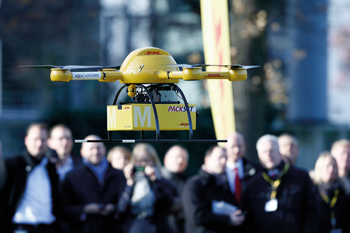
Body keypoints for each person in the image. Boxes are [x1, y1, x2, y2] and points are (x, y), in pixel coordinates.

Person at [241, 134, 320, 233]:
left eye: (271, 151)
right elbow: (248, 218)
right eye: (264, 152)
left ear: (279, 153)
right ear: (259, 156)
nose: (268, 155)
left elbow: (313, 212)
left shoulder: (300, 177)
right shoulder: (252, 183)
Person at [0, 123, 59, 233]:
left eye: (43, 139)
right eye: (35, 139)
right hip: (21, 228)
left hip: (48, 228)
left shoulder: (51, 168)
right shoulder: (11, 165)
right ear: (26, 140)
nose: (39, 143)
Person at [60, 135, 126, 233]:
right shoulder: (72, 177)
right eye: (91, 149)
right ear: (82, 152)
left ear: (104, 149)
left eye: (98, 147)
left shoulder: (119, 175)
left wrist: (114, 208)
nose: (95, 152)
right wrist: (84, 209)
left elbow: (125, 201)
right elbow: (62, 208)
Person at [182, 146, 245, 233]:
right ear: (207, 160)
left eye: (225, 158)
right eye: (219, 158)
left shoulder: (223, 184)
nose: (223, 161)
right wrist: (227, 219)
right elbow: (197, 216)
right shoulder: (194, 185)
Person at [117, 143, 176, 233]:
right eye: (139, 161)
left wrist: (155, 181)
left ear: (153, 161)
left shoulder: (162, 181)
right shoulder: (126, 181)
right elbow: (121, 208)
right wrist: (130, 184)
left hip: (158, 226)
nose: (143, 164)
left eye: (147, 160)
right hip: (135, 226)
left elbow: (168, 204)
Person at [312, 152, 350, 233]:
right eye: (328, 166)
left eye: (334, 166)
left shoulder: (343, 190)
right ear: (319, 168)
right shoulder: (312, 190)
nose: (332, 169)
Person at [225, 132, 261, 206]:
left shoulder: (256, 170)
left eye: (239, 146)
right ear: (225, 147)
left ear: (245, 147)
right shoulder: (218, 172)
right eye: (233, 146)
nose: (237, 150)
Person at [161, 145, 189, 233]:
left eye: (183, 158)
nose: (180, 161)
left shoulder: (187, 181)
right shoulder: (158, 179)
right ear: (166, 159)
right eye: (177, 157)